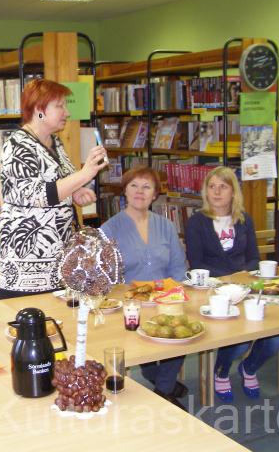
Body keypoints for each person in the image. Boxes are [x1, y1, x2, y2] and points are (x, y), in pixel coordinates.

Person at [0, 79, 107, 299]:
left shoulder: (54, 141)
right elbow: (35, 194)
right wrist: (84, 174)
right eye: (60, 106)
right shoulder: (18, 145)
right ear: (39, 110)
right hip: (28, 263)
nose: (66, 112)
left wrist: (76, 191)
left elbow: (59, 181)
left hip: (59, 256)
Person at [185, 166, 279, 402]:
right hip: (213, 292)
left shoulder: (244, 220)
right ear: (206, 192)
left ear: (233, 192)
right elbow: (197, 263)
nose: (217, 192)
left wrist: (241, 278)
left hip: (245, 288)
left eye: (223, 186)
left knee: (276, 338)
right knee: (240, 339)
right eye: (212, 186)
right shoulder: (197, 222)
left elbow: (254, 258)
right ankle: (221, 371)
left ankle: (249, 368)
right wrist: (230, 278)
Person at [101, 166, 187, 409]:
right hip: (129, 305)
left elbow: (178, 267)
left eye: (146, 186)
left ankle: (163, 390)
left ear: (155, 194)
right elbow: (106, 277)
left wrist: (175, 296)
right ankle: (163, 383)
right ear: (125, 191)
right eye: (134, 185)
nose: (140, 191)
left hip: (164, 300)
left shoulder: (166, 226)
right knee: (142, 340)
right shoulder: (109, 229)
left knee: (180, 331)